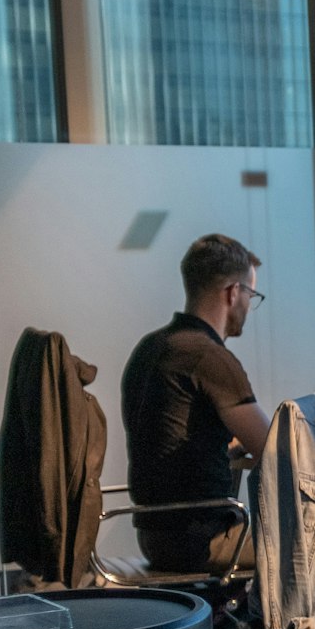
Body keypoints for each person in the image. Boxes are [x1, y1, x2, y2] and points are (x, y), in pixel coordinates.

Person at [121, 234, 272, 574]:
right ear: (233, 293)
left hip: (154, 535)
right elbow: (275, 448)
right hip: (201, 540)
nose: (249, 303)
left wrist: (227, 453)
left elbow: (170, 439)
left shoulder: (150, 347)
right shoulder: (209, 356)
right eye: (251, 294)